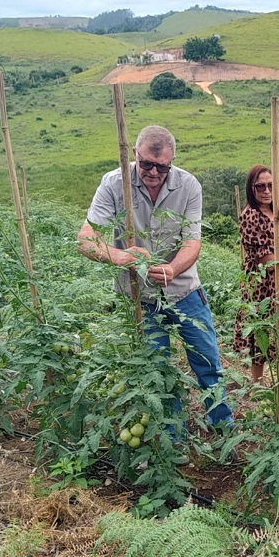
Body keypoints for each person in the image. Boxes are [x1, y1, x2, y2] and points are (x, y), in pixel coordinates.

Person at [77, 124, 233, 434]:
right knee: (157, 371)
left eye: (162, 167)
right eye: (147, 164)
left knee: (207, 361)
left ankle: (222, 426)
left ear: (172, 162)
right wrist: (122, 257)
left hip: (185, 292)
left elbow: (192, 242)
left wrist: (173, 269)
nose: (153, 172)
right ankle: (172, 438)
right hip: (140, 298)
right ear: (135, 155)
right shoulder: (113, 183)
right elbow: (86, 239)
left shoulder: (189, 186)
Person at [233, 165, 279, 385]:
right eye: (260, 186)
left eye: (271, 185)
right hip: (262, 285)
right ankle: (257, 385)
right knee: (261, 332)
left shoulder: (277, 211)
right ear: (251, 189)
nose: (266, 190)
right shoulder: (250, 216)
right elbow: (268, 262)